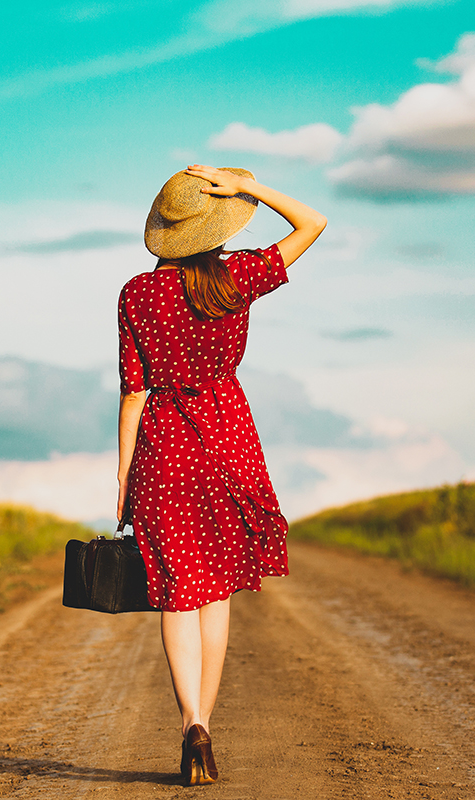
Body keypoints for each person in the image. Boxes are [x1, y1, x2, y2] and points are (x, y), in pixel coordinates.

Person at [116, 165, 326, 785]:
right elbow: (314, 222)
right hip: (228, 439)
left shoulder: (137, 294)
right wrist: (250, 185)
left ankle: (191, 725)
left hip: (163, 448)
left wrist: (124, 483)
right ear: (219, 225)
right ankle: (205, 720)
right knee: (217, 593)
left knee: (176, 594)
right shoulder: (236, 278)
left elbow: (133, 394)